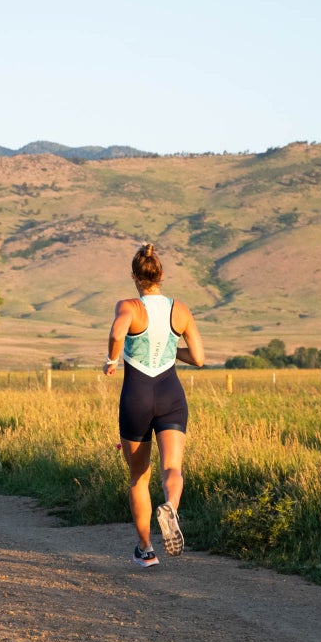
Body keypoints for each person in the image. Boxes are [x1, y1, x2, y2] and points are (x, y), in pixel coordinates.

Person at [104, 243, 206, 567]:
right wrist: (172, 351)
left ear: (135, 276)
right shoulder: (181, 310)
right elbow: (200, 359)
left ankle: (146, 549)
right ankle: (171, 507)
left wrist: (111, 359)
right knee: (172, 468)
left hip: (137, 395)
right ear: (161, 275)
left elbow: (118, 331)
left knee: (139, 478)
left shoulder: (129, 306)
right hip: (170, 394)